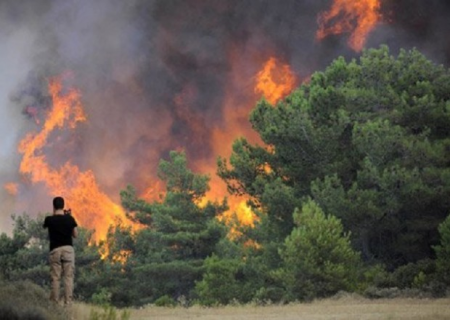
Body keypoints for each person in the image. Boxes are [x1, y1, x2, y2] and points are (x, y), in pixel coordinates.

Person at [43, 196, 78, 305]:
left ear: (54, 206)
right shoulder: (70, 219)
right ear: (63, 206)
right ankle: (68, 304)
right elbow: (75, 235)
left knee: (55, 278)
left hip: (55, 251)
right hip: (68, 250)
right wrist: (68, 217)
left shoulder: (49, 219)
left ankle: (54, 304)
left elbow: (46, 225)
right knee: (68, 278)